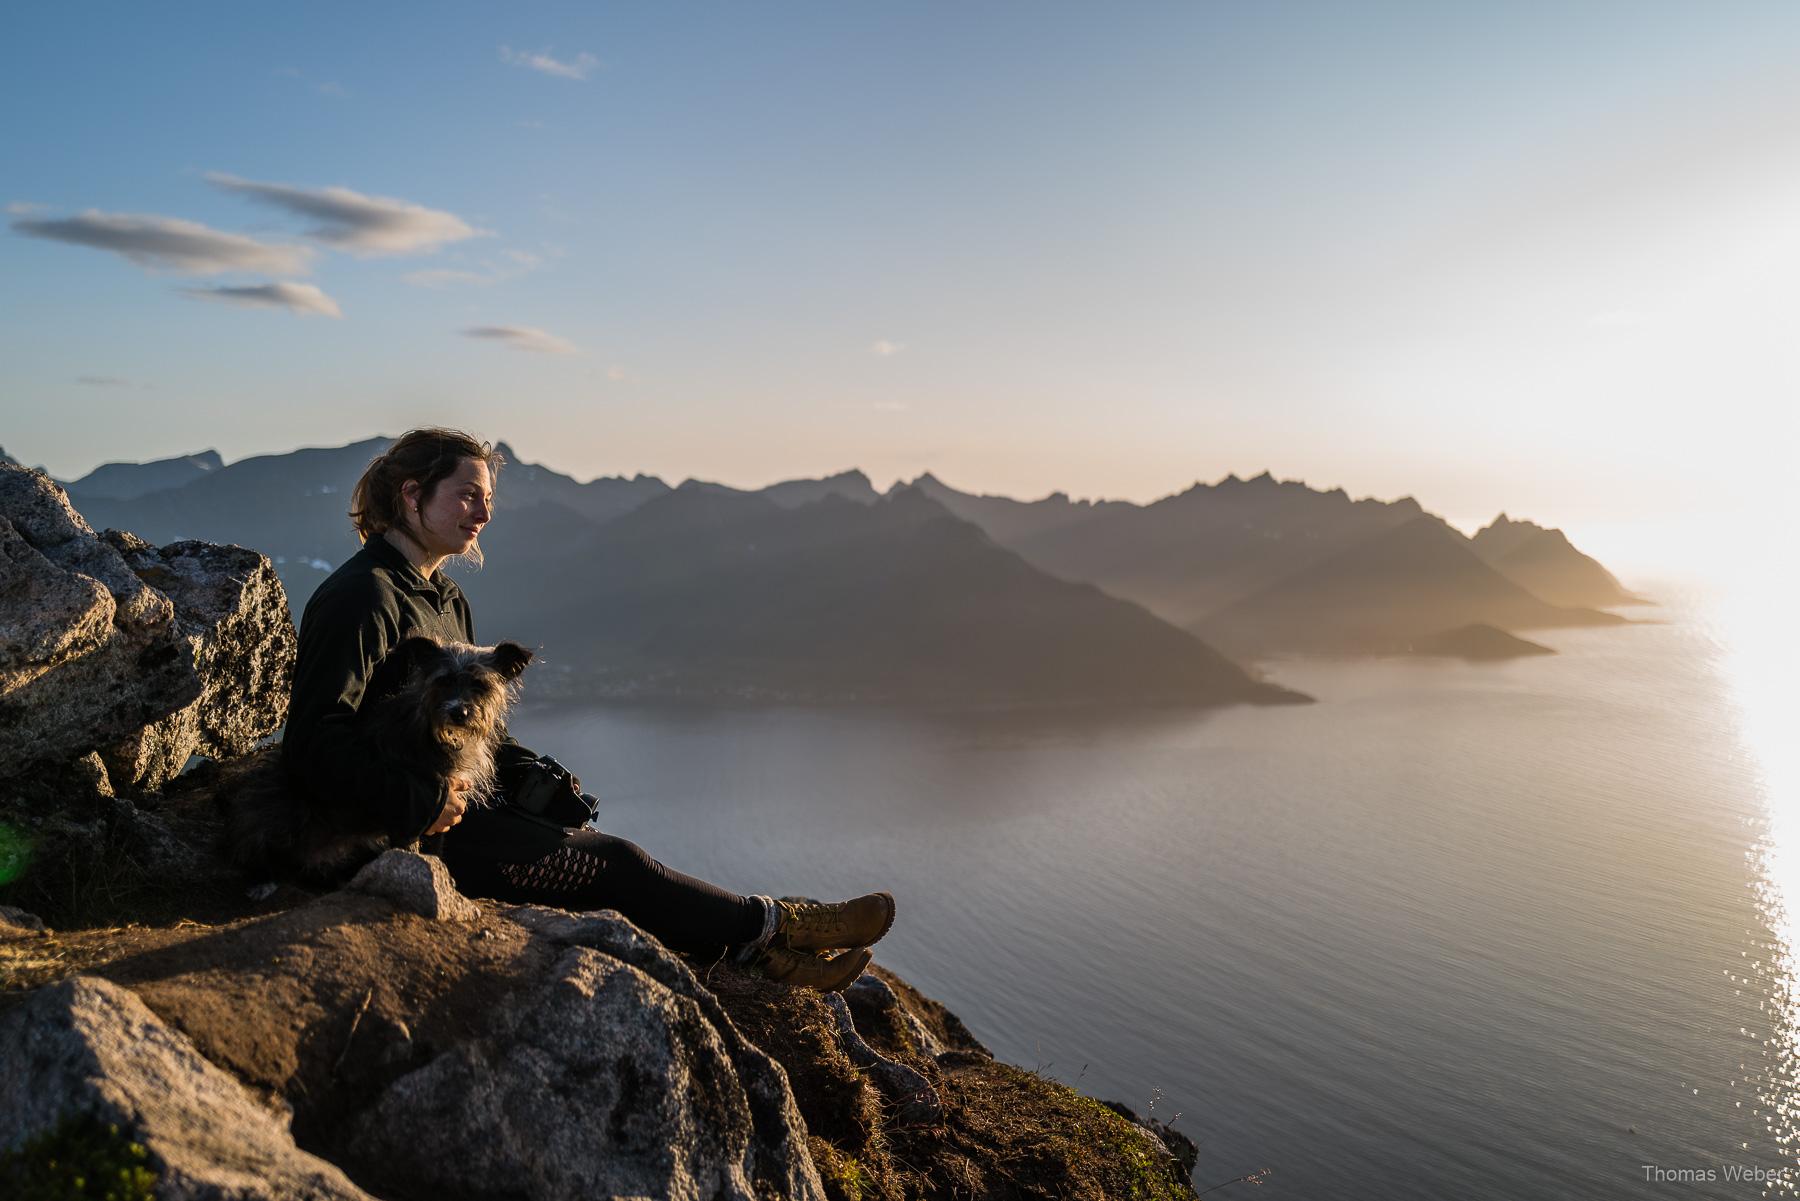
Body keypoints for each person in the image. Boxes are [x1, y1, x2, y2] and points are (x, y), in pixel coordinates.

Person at [279, 427, 893, 990]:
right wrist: (424, 802)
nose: (484, 512)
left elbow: (471, 725)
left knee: (593, 847)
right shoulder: (362, 597)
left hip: (450, 807)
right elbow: (313, 743)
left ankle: (763, 960)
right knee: (617, 866)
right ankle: (781, 926)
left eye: (487, 498)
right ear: (412, 495)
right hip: (394, 829)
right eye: (467, 495)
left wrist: (527, 770)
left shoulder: (444, 598)